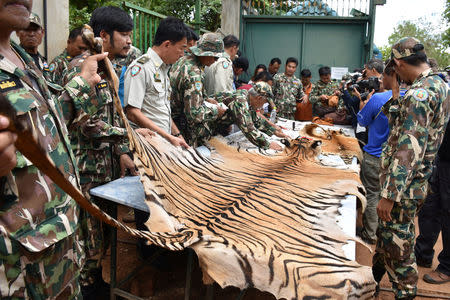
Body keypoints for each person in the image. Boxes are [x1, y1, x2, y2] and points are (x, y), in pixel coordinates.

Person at [0, 1, 107, 297]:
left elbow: (45, 127)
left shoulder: (22, 59)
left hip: (57, 250)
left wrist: (82, 85)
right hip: (18, 269)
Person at [63, 6, 140, 298]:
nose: (129, 41)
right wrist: (129, 136)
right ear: (104, 35)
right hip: (87, 171)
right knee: (88, 239)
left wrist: (122, 150)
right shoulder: (81, 68)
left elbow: (114, 114)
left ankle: (97, 281)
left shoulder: (108, 67)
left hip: (106, 168)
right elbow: (86, 124)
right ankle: (87, 286)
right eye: (124, 35)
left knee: (104, 234)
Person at [372, 37, 449, 300]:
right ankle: (372, 282)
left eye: (395, 68)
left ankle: (404, 293)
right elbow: (408, 129)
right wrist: (395, 95)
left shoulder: (418, 94)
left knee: (399, 248)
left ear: (399, 63)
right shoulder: (439, 85)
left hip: (403, 188)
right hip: (418, 183)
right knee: (386, 239)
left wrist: (388, 194)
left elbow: (407, 149)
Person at [356, 62, 405, 245]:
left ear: (391, 75)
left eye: (382, 76)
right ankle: (389, 236)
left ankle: (370, 233)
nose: (380, 80)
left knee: (372, 194)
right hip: (400, 162)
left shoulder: (378, 99)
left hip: (375, 157)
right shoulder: (412, 98)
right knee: (395, 199)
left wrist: (364, 103)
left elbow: (362, 120)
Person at [124, 16, 189, 148]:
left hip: (165, 143)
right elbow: (132, 113)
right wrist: (168, 137)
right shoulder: (141, 68)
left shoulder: (163, 69)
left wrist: (177, 135)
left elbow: (161, 109)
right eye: (181, 48)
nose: (182, 54)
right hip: (148, 146)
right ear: (167, 44)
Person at [170, 32, 227, 147]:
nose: (215, 61)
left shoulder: (184, 60)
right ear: (205, 54)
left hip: (173, 119)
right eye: (215, 57)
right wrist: (216, 111)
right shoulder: (194, 74)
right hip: (181, 126)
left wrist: (206, 99)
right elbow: (194, 114)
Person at [414, 121, 450, 284]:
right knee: (429, 207)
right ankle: (423, 253)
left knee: (448, 213)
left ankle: (447, 267)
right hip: (442, 156)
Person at [215, 81, 285, 150]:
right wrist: (267, 144)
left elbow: (256, 119)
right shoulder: (240, 101)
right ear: (259, 98)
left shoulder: (248, 98)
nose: (262, 106)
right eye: (264, 103)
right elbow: (248, 127)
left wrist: (274, 131)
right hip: (208, 127)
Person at [16, 12, 50, 80]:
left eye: (35, 29)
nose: (31, 34)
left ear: (42, 33)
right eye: (26, 29)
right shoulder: (15, 59)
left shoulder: (42, 61)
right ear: (18, 32)